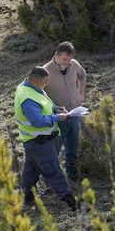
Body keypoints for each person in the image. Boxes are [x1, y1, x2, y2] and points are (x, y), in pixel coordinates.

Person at [14, 66, 77, 210]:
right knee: (53, 170)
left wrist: (56, 108)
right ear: (36, 80)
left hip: (33, 142)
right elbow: (37, 121)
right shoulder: (27, 98)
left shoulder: (30, 88)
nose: (47, 83)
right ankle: (71, 202)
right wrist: (57, 118)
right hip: (39, 141)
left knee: (30, 170)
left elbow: (43, 103)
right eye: (45, 81)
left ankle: (27, 198)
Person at [43, 41, 87, 181]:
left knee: (73, 148)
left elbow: (82, 75)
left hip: (74, 114)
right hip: (57, 119)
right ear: (56, 55)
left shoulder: (74, 64)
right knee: (53, 151)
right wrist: (51, 110)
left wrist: (81, 94)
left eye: (69, 59)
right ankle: (51, 180)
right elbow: (38, 94)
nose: (67, 62)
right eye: (64, 59)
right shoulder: (45, 71)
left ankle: (73, 176)